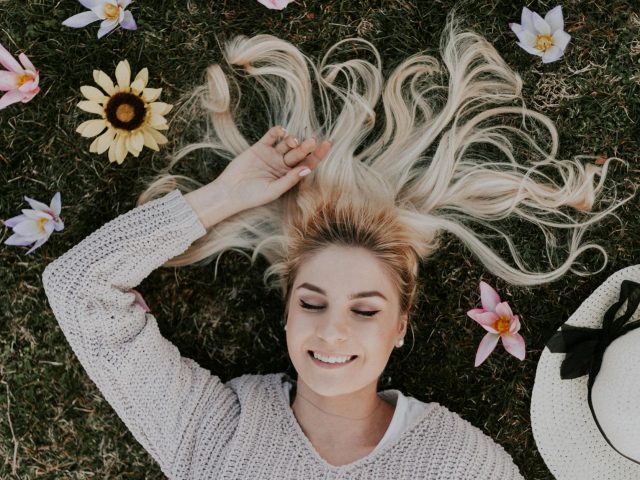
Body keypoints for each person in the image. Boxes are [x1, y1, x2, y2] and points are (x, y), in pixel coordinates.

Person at [42, 13, 632, 479]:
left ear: (402, 325)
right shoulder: (214, 431)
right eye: (313, 302)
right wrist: (221, 197)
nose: (332, 332)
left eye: (366, 309)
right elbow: (79, 291)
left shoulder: (459, 465)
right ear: (287, 309)